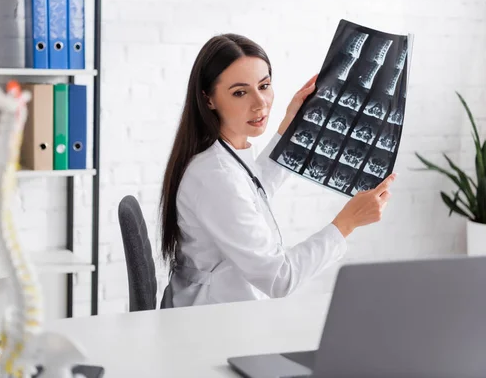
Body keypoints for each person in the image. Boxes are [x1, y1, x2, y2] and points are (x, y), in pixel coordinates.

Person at [159, 33, 396, 308]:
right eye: (240, 92)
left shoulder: (223, 156)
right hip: (212, 322)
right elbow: (279, 279)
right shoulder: (215, 176)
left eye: (264, 85)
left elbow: (253, 191)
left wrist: (290, 126)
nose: (260, 103)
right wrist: (347, 222)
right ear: (208, 99)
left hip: (225, 308)